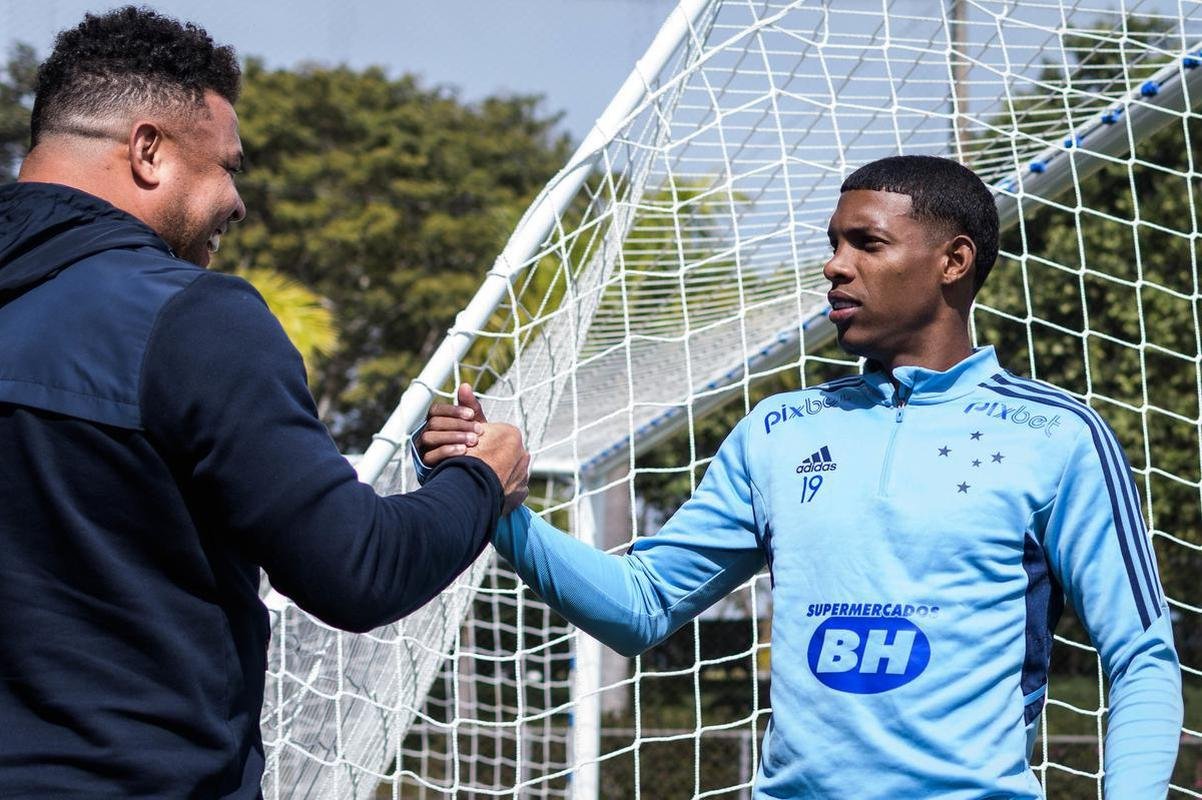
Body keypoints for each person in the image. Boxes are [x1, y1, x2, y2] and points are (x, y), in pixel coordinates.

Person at [417, 155, 1183, 798]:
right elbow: (641, 607)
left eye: (866, 243)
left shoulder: (1056, 436)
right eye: (833, 243)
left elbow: (1142, 659)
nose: (834, 265)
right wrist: (497, 504)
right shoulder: (780, 431)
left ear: (953, 261)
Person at [0, 7, 529, 798]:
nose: (238, 202)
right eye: (227, 167)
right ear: (148, 151)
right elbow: (357, 568)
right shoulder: (190, 318)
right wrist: (482, 480)